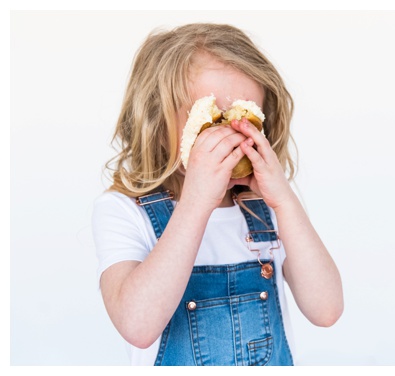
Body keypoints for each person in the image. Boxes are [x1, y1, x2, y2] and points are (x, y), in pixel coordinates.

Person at [93, 23, 343, 366]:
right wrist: (197, 202)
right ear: (157, 124)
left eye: (246, 121)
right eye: (212, 122)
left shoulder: (268, 208)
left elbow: (326, 310)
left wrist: (285, 201)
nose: (231, 137)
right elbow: (137, 325)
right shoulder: (122, 211)